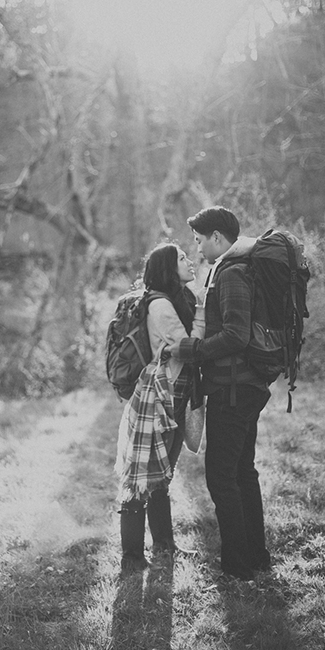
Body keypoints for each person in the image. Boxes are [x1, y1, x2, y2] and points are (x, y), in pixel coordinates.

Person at [171, 206, 271, 581]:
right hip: (246, 385)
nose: (197, 250)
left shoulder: (230, 274)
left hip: (233, 388)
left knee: (221, 476)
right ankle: (256, 556)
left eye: (199, 241)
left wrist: (191, 350)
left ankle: (237, 563)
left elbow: (236, 335)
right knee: (244, 471)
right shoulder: (233, 270)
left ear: (217, 238)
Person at [115, 242, 204, 572]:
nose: (189, 261)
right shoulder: (161, 306)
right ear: (169, 268)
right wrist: (207, 318)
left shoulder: (175, 300)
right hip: (160, 398)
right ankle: (133, 558)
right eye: (182, 258)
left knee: (159, 478)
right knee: (141, 478)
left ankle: (165, 548)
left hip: (173, 397)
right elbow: (186, 348)